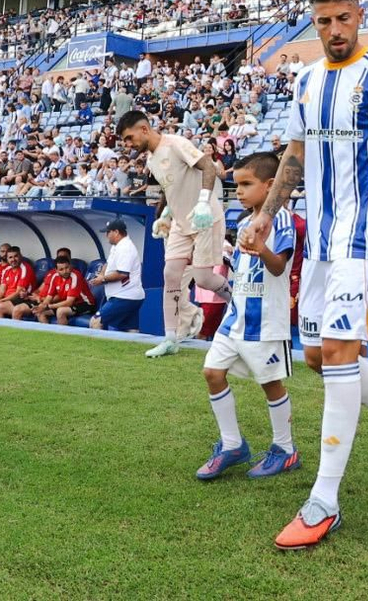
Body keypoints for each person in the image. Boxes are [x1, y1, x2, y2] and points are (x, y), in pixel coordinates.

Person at [242, 0, 368, 552]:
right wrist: (267, 215)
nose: (334, 30)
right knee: (318, 357)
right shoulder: (304, 80)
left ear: (360, 17)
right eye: (323, 21)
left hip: (365, 240)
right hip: (321, 241)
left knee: (344, 354)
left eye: (343, 18)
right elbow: (294, 157)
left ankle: (324, 499)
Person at [196, 152, 300, 481]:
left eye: (246, 184)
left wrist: (262, 249)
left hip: (265, 321)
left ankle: (285, 449)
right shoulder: (242, 223)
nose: (238, 191)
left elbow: (279, 266)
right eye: (235, 185)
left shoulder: (282, 220)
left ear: (270, 186)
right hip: (236, 318)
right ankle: (232, 445)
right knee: (212, 372)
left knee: (270, 383)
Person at [117, 109, 230, 357]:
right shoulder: (150, 160)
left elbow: (209, 168)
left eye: (129, 137)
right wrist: (165, 214)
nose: (127, 144)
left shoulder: (177, 144)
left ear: (144, 129)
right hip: (180, 223)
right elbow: (171, 188)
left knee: (202, 279)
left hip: (204, 216)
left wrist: (203, 201)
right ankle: (170, 339)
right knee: (170, 275)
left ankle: (241, 305)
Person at [89, 219, 145, 332]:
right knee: (130, 330)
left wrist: (103, 279)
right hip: (127, 296)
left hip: (124, 296)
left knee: (96, 321)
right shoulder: (117, 246)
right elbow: (108, 263)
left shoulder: (126, 247)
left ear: (116, 232)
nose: (106, 235)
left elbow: (122, 274)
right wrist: (101, 275)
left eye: (108, 232)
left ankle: (97, 349)